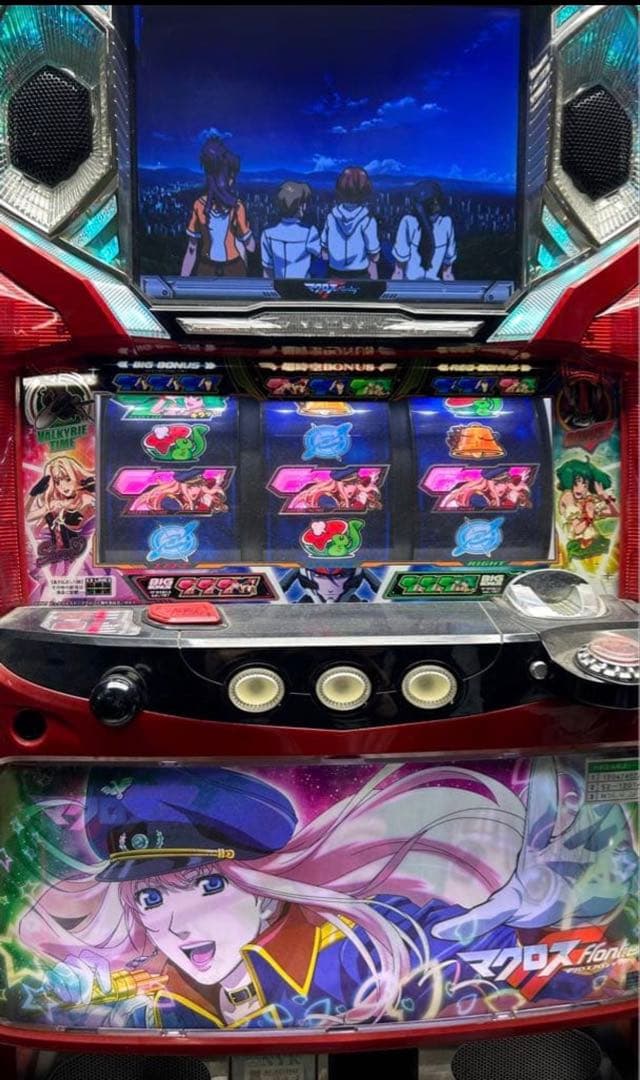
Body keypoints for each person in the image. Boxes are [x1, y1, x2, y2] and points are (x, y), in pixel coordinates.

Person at [13, 758, 637, 1030]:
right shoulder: (147, 985)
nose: (173, 925)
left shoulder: (366, 946)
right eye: (150, 899)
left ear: (262, 888)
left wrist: (556, 907)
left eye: (208, 884)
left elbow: (540, 971)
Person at [181, 137, 255, 278]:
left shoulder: (199, 205)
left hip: (206, 267)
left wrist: (181, 280)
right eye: (231, 177)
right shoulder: (237, 207)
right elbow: (251, 247)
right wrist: (245, 231)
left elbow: (191, 249)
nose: (233, 182)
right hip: (233, 268)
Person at [26, 456, 95, 555]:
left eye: (67, 479)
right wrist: (32, 495)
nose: (63, 486)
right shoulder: (56, 503)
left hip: (84, 554)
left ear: (76, 475)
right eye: (57, 482)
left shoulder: (87, 499)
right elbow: (25, 518)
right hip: (58, 556)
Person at [321, 167, 380, 279]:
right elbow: (374, 255)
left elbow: (324, 253)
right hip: (360, 275)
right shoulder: (368, 220)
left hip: (334, 274)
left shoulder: (331, 217)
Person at [391, 181, 456, 281]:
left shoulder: (446, 224)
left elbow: (447, 272)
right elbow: (399, 271)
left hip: (428, 286)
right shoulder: (409, 222)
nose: (436, 206)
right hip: (415, 285)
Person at [556, 458, 619, 560]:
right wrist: (589, 516)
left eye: (585, 485)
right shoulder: (568, 496)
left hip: (597, 544)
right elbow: (577, 530)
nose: (581, 488)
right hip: (579, 548)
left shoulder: (588, 502)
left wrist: (604, 496)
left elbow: (616, 513)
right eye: (577, 482)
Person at [261, 181, 321, 279]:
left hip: (278, 285)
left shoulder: (267, 233)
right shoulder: (309, 232)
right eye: (304, 203)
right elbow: (323, 255)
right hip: (302, 285)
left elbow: (267, 270)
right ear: (300, 206)